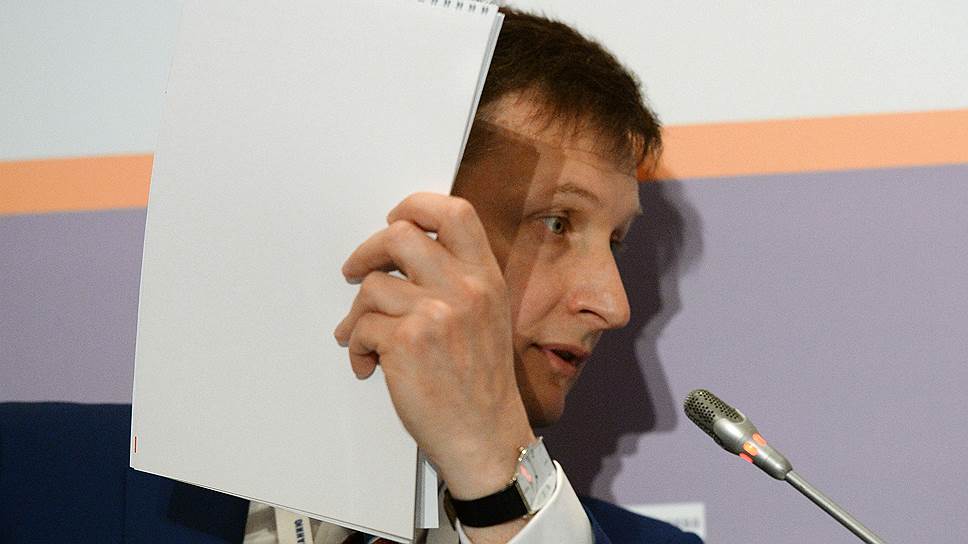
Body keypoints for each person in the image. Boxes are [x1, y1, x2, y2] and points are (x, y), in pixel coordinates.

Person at [294, 7, 699, 544]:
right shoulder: (169, 493)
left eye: (615, 243)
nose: (614, 305)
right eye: (557, 223)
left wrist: (495, 476)